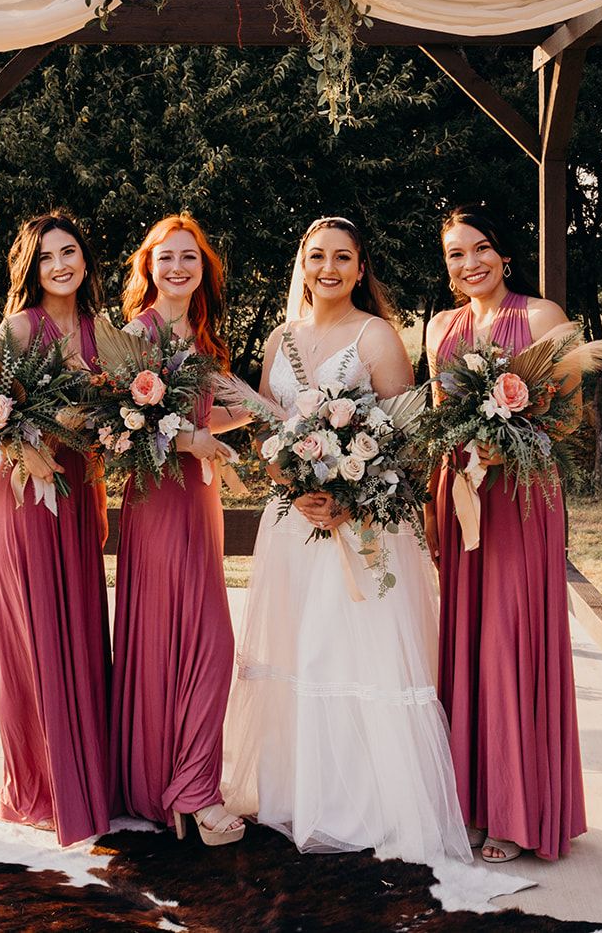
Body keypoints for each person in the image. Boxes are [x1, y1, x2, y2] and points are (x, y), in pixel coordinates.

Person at [224, 216, 471, 865]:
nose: (327, 268)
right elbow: (268, 429)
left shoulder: (376, 336)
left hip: (358, 527)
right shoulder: (281, 335)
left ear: (361, 268)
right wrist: (290, 479)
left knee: (346, 654)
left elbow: (404, 439)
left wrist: (344, 493)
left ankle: (362, 805)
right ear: (302, 263)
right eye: (316, 256)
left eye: (342, 257)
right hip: (290, 523)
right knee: (298, 653)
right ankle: (301, 795)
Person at [424, 204, 587, 862]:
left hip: (522, 493)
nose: (471, 263)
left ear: (504, 253)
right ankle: (469, 802)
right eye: (457, 254)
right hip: (461, 492)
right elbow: (439, 417)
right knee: (466, 646)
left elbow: (569, 415)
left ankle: (518, 814)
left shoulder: (543, 317)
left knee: (509, 643)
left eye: (481, 247)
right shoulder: (440, 325)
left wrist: (509, 437)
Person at [111, 213, 250, 846]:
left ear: (203, 268)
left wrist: (248, 416)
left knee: (187, 643)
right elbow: (122, 430)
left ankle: (165, 785)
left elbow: (197, 416)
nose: (177, 268)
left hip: (198, 501)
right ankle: (192, 791)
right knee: (205, 644)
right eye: (165, 258)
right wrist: (193, 437)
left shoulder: (197, 335)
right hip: (159, 505)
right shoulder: (135, 337)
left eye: (189, 258)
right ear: (148, 266)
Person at [0, 210, 112, 846]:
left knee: (80, 628)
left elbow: (117, 411)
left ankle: (86, 776)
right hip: (26, 494)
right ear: (30, 268)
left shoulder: (100, 331)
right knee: (34, 634)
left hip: (80, 492)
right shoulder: (17, 328)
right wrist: (21, 449)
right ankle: (41, 783)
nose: (59, 265)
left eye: (69, 252)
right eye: (45, 257)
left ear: (84, 259)